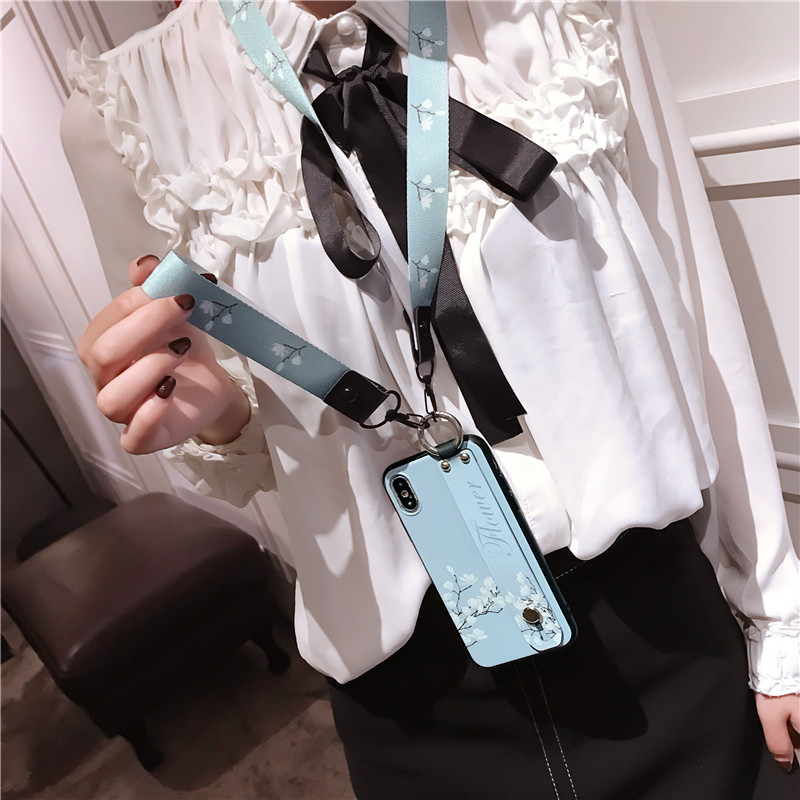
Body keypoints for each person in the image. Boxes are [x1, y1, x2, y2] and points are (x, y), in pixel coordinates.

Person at [63, 1, 798, 797]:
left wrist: (779, 617)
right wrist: (226, 419)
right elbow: (228, 421)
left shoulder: (556, 16)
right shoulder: (127, 109)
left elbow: (698, 304)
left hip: (660, 632)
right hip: (414, 697)